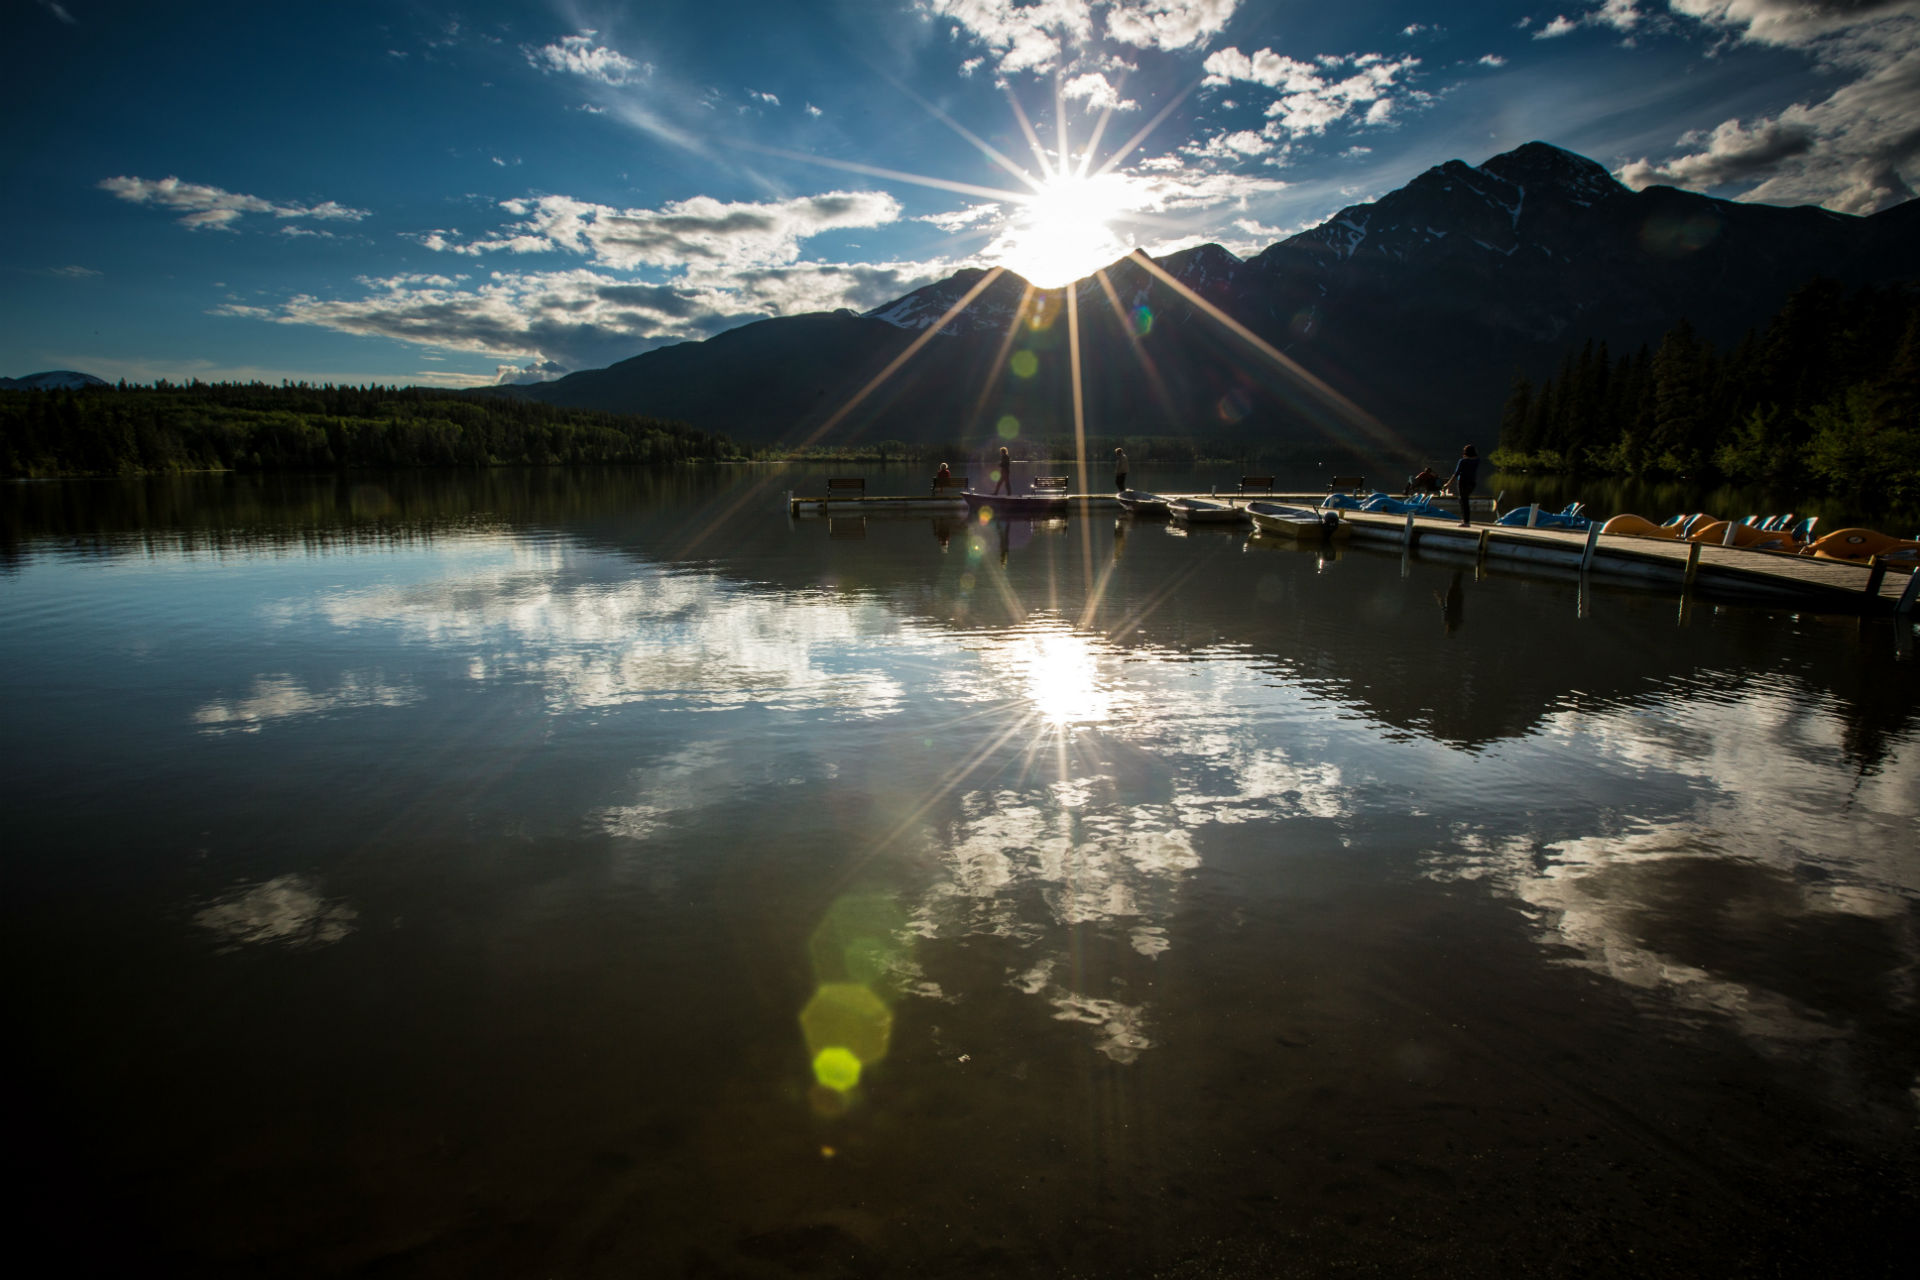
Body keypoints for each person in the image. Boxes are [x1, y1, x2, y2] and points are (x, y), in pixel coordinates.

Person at [1446, 444, 1479, 526]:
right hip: (1472, 482)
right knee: (1465, 500)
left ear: (1466, 452)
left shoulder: (1463, 461)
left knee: (1463, 501)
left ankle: (1466, 522)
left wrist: (1448, 483)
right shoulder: (1477, 461)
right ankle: (1466, 520)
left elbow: (1456, 473)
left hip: (1463, 482)